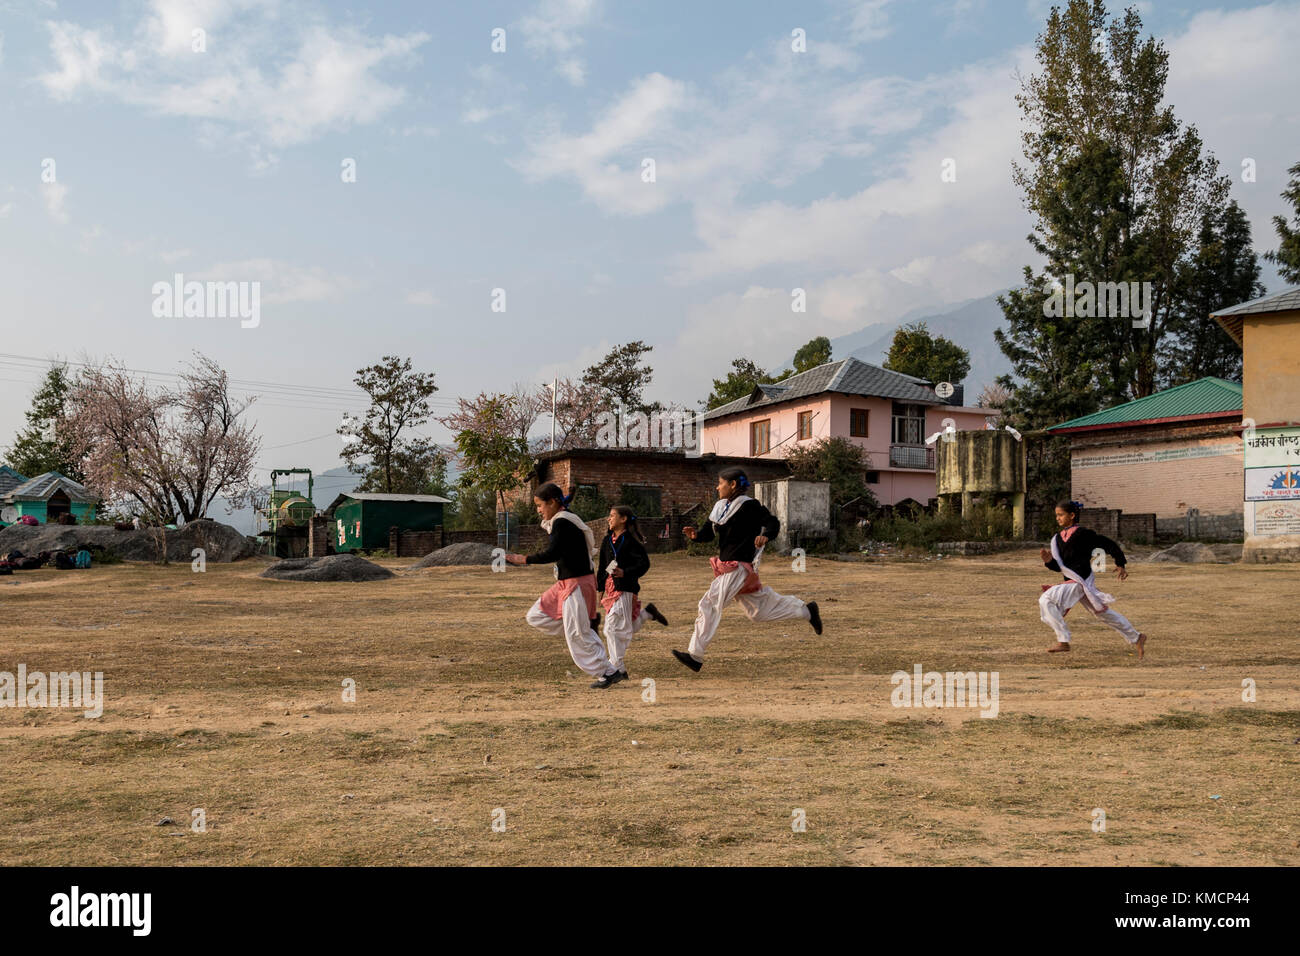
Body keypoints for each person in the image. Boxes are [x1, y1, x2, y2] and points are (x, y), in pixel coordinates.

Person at [672, 467, 821, 672]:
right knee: (758, 612)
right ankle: (806, 610)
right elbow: (708, 533)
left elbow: (772, 522)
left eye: (721, 483)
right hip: (729, 567)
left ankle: (695, 656)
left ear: (733, 485)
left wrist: (766, 535)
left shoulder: (749, 506)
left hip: (738, 567)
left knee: (709, 604)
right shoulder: (719, 507)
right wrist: (695, 536)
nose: (717, 487)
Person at [505, 483, 623, 689]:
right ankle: (580, 631)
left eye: (540, 505)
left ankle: (609, 672)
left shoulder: (563, 522)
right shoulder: (563, 520)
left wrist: (523, 559)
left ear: (552, 502)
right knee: (536, 615)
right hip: (567, 583)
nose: (538, 510)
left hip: (577, 584)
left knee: (578, 633)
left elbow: (553, 553)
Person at [1039, 499, 1148, 658]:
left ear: (1072, 515)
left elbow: (1109, 544)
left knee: (1045, 600)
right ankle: (1137, 637)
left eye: (1061, 515)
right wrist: (1048, 561)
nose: (1058, 518)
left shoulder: (1084, 534)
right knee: (1103, 614)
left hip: (1081, 580)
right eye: (1056, 515)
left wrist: (1120, 563)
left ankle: (1063, 641)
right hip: (1072, 580)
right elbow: (1059, 567)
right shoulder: (1056, 539)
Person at [596, 505, 669, 680]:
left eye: (613, 516)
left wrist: (626, 572)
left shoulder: (631, 541)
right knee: (623, 627)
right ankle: (646, 615)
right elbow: (602, 568)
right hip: (610, 589)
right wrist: (599, 590)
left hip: (625, 589)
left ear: (623, 519)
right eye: (609, 516)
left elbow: (644, 564)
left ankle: (616, 668)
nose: (609, 519)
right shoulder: (607, 541)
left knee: (612, 628)